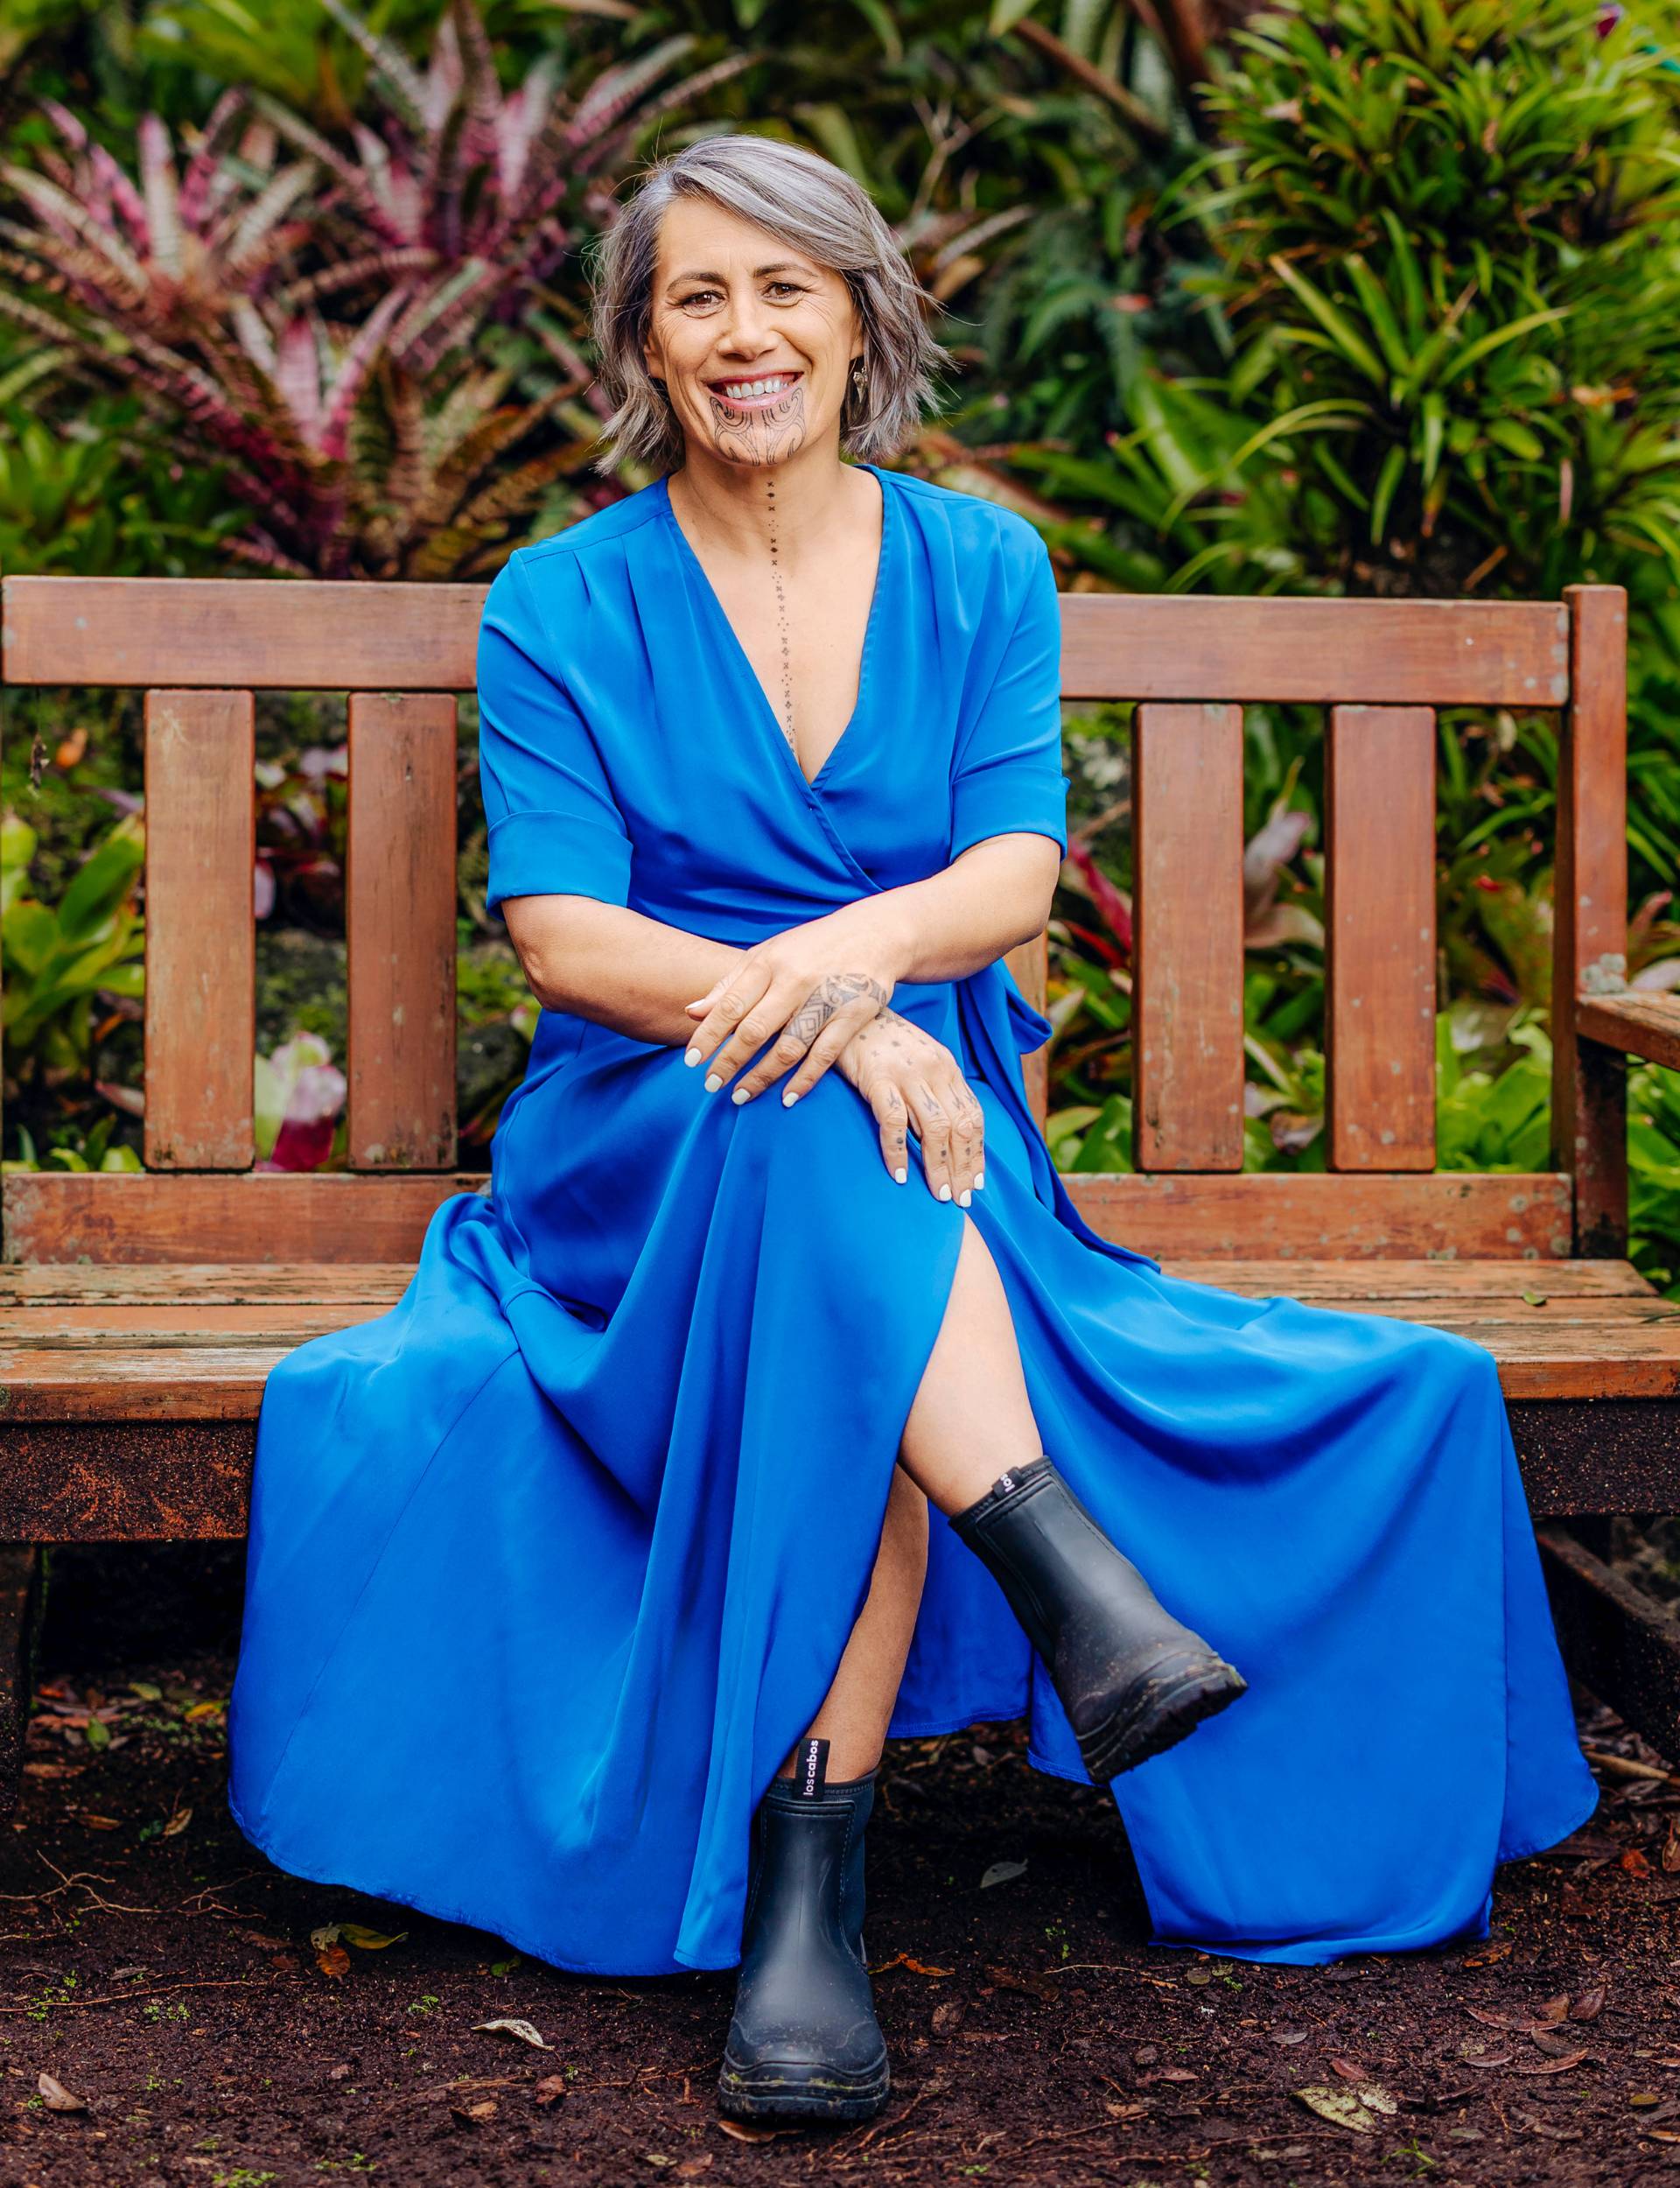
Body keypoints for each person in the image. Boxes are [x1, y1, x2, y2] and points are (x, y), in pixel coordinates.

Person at [227, 131, 1600, 2128]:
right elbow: (567, 934)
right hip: (642, 1142)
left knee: (839, 1170)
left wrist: (854, 993)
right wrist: (826, 1022)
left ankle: (819, 1859)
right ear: (643, 342)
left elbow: (1010, 873)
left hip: (930, 1139)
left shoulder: (980, 567)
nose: (746, 329)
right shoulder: (559, 597)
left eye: (786, 285)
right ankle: (1060, 1576)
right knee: (798, 1121)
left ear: (862, 314)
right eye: (697, 295)